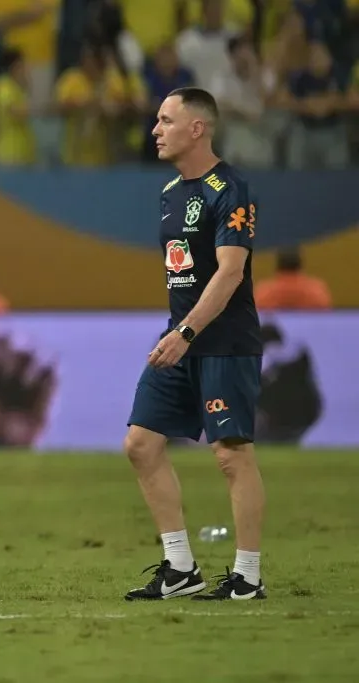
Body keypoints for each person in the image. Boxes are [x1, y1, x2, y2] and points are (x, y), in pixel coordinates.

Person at [124, 87, 266, 602]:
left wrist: (186, 333)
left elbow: (231, 273)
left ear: (197, 128)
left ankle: (248, 576)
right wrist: (179, 332)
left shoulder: (230, 190)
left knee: (231, 455)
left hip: (223, 341)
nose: (155, 130)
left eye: (166, 120)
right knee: (141, 444)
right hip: (180, 336)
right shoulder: (169, 193)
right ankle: (181, 569)